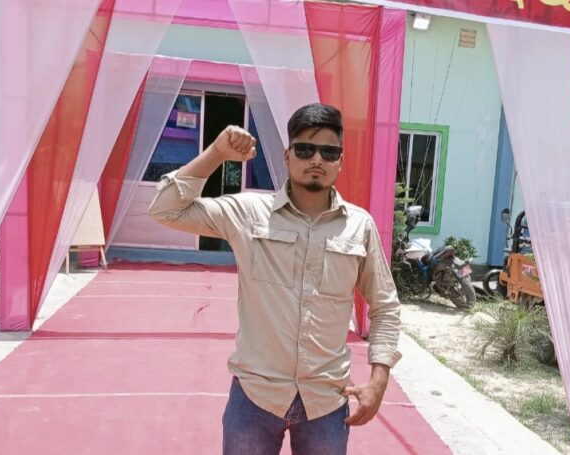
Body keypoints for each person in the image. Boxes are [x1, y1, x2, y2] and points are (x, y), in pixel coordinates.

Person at [149, 103, 401, 455]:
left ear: (340, 161)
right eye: (305, 149)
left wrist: (378, 381)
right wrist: (216, 153)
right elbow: (165, 208)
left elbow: (385, 307)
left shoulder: (360, 226)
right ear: (287, 155)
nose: (317, 159)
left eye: (329, 152)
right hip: (255, 397)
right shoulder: (249, 213)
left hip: (326, 402)